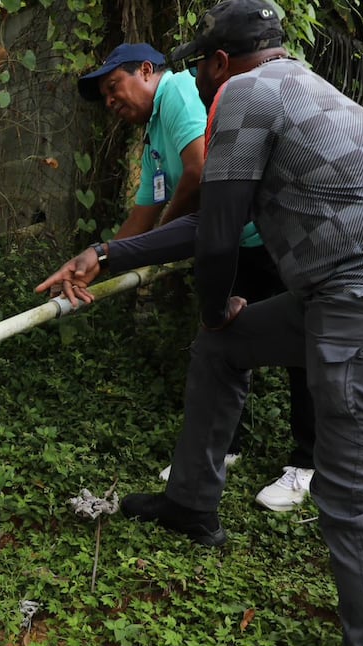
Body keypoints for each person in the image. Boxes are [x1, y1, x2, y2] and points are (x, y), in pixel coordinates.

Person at [38, 0, 363, 646]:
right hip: (350, 286)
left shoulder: (251, 98)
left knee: (358, 505)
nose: (200, 78)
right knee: (220, 351)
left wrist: (218, 298)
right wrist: (107, 252)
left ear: (219, 64)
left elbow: (219, 233)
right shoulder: (291, 91)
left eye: (200, 66)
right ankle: (193, 503)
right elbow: (207, 224)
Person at [78, 42, 316, 511]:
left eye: (113, 87)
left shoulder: (180, 93)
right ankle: (226, 449)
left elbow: (199, 172)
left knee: (304, 352)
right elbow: (143, 214)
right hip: (238, 246)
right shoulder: (152, 136)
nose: (110, 101)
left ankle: (308, 466)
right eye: (104, 97)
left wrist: (161, 243)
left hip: (274, 239)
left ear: (147, 70)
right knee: (228, 340)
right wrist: (101, 261)